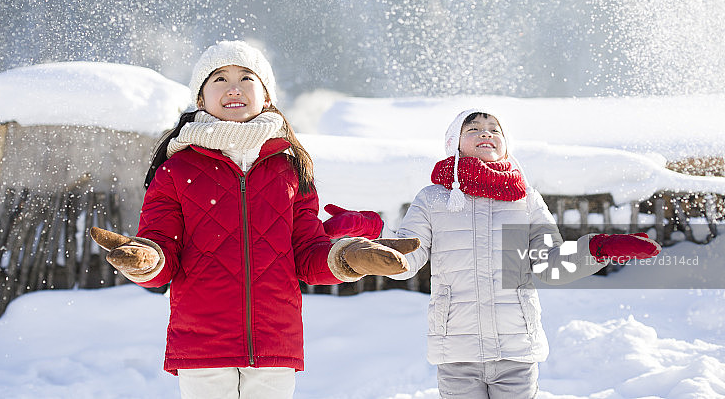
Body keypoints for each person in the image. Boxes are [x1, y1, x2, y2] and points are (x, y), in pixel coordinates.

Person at [90, 40, 418, 399]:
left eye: (247, 77)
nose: (234, 87)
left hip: (275, 340)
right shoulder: (177, 169)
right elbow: (162, 250)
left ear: (266, 95)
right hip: (203, 343)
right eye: (219, 79)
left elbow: (306, 253)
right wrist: (146, 259)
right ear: (200, 99)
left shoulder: (290, 168)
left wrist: (348, 257)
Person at [385, 108, 661, 399]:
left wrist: (598, 250)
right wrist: (372, 240)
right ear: (455, 143)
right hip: (457, 350)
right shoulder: (433, 198)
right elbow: (407, 255)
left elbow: (549, 264)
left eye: (494, 129)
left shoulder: (526, 199)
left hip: (515, 349)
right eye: (473, 129)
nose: (486, 133)